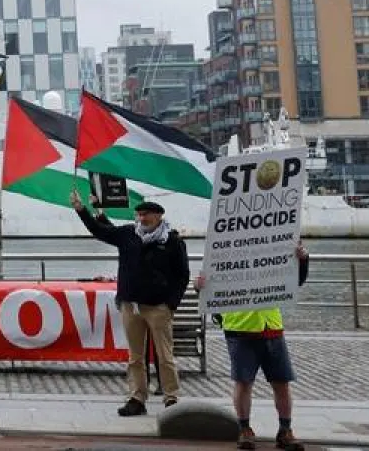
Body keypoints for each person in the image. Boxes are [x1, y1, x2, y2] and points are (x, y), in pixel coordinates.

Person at [70, 190, 189, 415]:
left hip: (158, 307)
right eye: (139, 214)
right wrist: (81, 210)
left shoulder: (172, 241)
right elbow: (100, 231)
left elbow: (182, 275)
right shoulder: (128, 234)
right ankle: (137, 398)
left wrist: (171, 303)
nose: (142, 218)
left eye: (147, 215)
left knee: (165, 356)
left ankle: (171, 398)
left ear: (159, 217)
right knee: (135, 356)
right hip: (130, 305)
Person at [199, 244, 309, 451]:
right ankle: (245, 429)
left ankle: (285, 429)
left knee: (281, 382)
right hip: (240, 327)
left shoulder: (273, 253)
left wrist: (302, 260)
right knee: (243, 381)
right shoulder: (225, 256)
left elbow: (295, 281)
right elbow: (211, 287)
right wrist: (200, 287)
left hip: (271, 326)